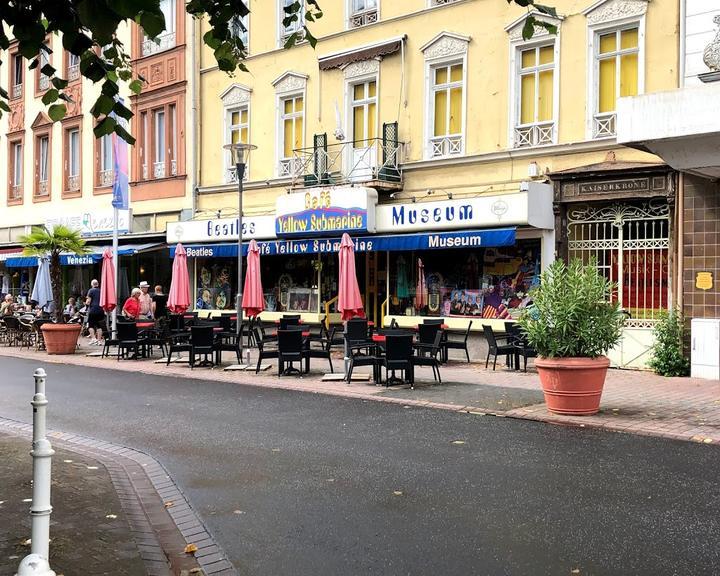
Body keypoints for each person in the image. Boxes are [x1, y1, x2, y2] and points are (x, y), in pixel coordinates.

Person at [85, 279, 105, 345]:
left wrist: (86, 305)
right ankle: (99, 341)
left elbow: (88, 301)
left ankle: (93, 339)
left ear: (92, 284)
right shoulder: (101, 291)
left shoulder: (91, 290)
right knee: (99, 325)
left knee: (90, 325)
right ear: (98, 284)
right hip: (101, 310)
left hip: (93, 310)